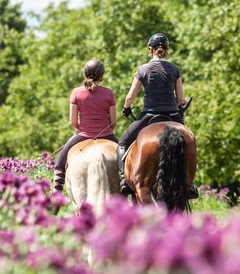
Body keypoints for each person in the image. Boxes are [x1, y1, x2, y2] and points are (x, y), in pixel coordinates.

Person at [118, 33, 185, 196]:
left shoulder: (143, 69)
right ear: (166, 51)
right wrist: (177, 107)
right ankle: (189, 183)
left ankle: (123, 179)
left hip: (149, 116)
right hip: (173, 115)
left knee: (122, 142)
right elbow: (181, 98)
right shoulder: (175, 69)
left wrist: (126, 107)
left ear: (150, 50)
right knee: (188, 143)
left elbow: (129, 97)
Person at [52, 59, 117, 193]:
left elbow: (73, 121)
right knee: (127, 158)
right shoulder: (109, 93)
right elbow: (113, 122)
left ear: (85, 73)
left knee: (60, 162)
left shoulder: (76, 92)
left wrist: (80, 129)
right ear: (102, 75)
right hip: (107, 135)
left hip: (82, 135)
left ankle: (56, 191)